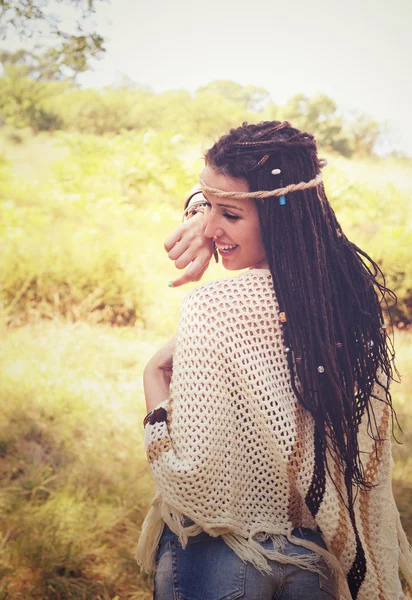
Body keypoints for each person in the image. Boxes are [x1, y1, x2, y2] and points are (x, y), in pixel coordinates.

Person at [135, 121, 412, 599]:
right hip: (314, 559)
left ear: (277, 215)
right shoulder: (344, 303)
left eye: (231, 216)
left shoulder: (216, 306)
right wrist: (208, 208)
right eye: (208, 210)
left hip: (219, 555)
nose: (210, 230)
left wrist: (154, 390)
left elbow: (194, 485)